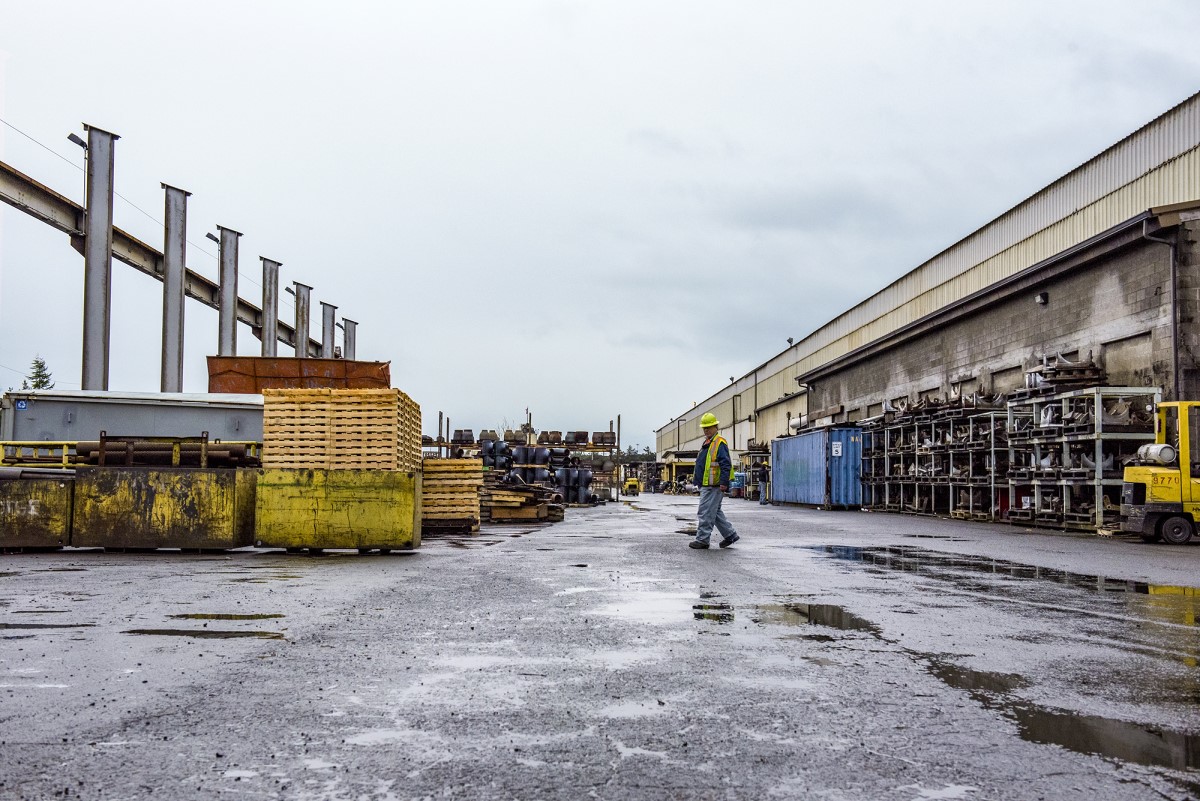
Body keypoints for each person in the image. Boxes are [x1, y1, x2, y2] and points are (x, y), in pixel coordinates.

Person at [689, 413, 740, 549]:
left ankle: (703, 539)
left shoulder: (719, 442)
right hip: (708, 484)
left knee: (705, 511)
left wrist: (724, 482)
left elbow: (725, 464)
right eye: (704, 428)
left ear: (716, 427)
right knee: (715, 512)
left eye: (709, 427)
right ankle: (730, 535)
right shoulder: (708, 443)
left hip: (713, 485)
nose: (706, 430)